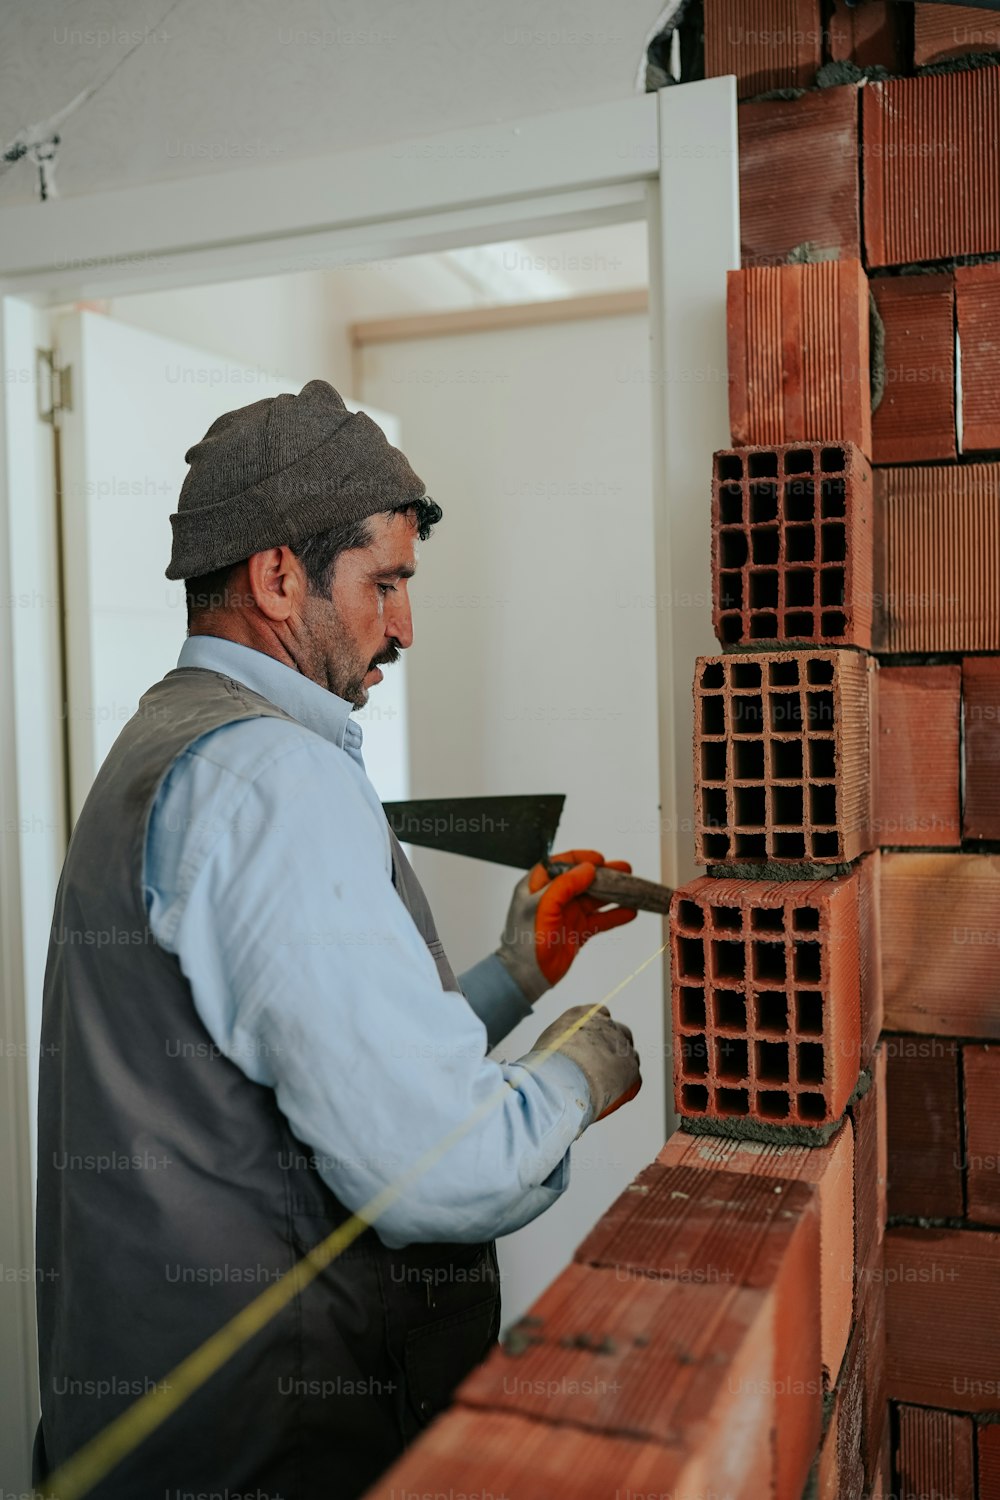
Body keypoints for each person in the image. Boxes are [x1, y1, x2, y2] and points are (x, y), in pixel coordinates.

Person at [32, 379, 643, 1498]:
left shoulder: (167, 745)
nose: (403, 626)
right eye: (386, 583)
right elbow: (436, 1171)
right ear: (277, 576)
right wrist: (574, 1075)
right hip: (271, 1450)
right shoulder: (273, 775)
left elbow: (294, 1064)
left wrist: (513, 977)